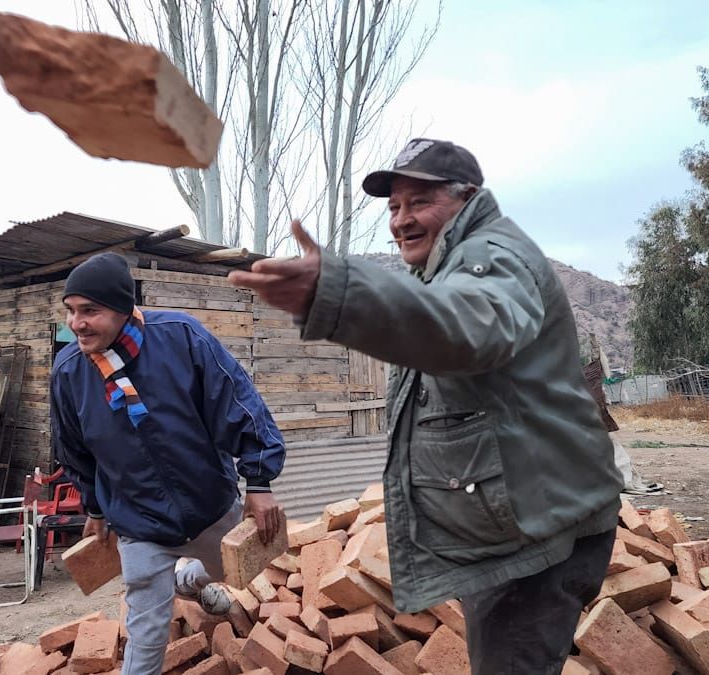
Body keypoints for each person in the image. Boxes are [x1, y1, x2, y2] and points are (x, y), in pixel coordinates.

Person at [228, 139, 623, 673]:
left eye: (419, 202)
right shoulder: (447, 267)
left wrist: (344, 298)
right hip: (523, 523)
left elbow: (468, 328)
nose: (402, 220)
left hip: (537, 536)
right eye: (394, 207)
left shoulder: (491, 258)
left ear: (466, 199)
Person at [51, 253, 287, 675]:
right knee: (146, 633)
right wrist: (95, 508)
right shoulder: (69, 372)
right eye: (71, 311)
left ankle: (188, 582)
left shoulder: (181, 337)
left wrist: (260, 482)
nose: (77, 323)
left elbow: (239, 405)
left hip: (209, 504)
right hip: (137, 521)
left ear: (123, 310)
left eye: (90, 311)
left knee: (234, 571)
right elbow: (74, 449)